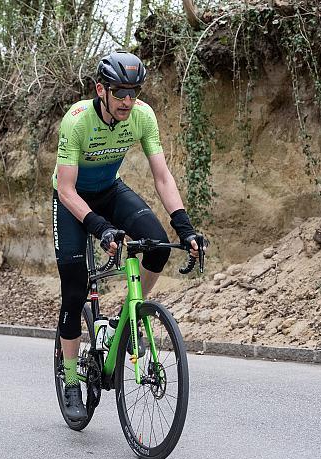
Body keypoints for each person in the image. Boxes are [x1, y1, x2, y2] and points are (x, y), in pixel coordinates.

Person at [52, 51, 203, 421]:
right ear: (100, 89)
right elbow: (67, 189)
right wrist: (100, 227)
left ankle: (128, 317)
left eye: (134, 92)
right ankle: (71, 379)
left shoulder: (142, 116)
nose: (127, 101)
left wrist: (183, 226)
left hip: (109, 189)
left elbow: (162, 177)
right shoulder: (77, 120)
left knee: (156, 245)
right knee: (73, 291)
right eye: (120, 93)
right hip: (72, 200)